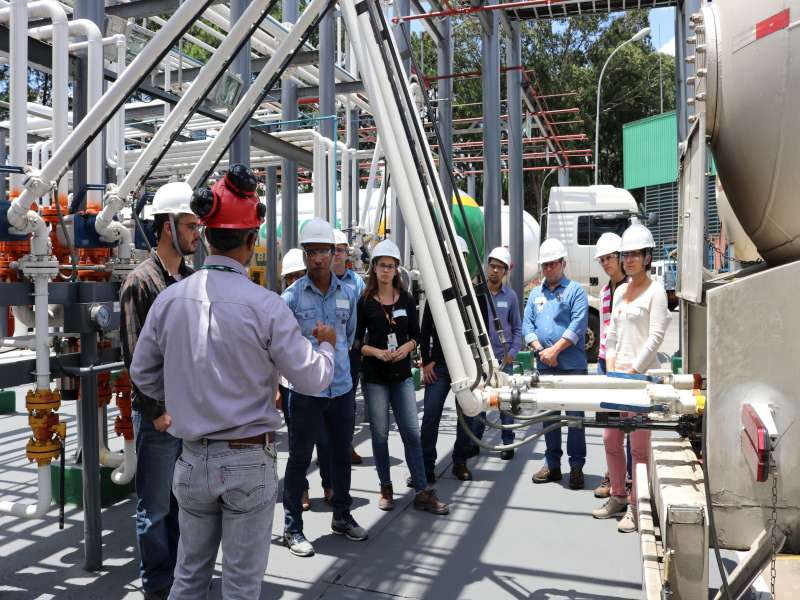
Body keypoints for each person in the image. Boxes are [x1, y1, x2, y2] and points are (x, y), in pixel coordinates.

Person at [129, 165, 337, 599]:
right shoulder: (266, 307)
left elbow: (142, 372)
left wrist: (180, 399)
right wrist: (328, 347)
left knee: (188, 577)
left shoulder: (170, 300)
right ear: (252, 241)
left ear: (205, 236)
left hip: (190, 460)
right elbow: (314, 380)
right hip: (246, 461)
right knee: (241, 586)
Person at [120, 181, 199, 600]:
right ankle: (156, 586)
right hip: (158, 417)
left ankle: (178, 581)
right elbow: (136, 359)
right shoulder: (141, 282)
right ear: (168, 226)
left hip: (187, 413)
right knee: (154, 508)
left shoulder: (190, 279)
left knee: (183, 504)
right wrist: (154, 411)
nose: (196, 233)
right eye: (189, 225)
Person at [281, 218, 366, 558]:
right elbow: (281, 348)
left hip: (341, 388)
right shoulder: (290, 298)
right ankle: (292, 527)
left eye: (323, 251)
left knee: (340, 456)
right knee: (300, 459)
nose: (317, 258)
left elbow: (348, 337)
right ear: (304, 256)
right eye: (311, 252)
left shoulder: (348, 293)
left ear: (335, 255)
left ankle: (342, 516)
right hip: (305, 392)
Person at [356, 239, 449, 515]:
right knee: (380, 435)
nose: (386, 270)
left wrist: (407, 348)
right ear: (373, 268)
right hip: (375, 377)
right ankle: (385, 487)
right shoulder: (364, 302)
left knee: (411, 431)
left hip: (401, 377)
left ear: (397, 269)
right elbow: (357, 342)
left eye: (391, 266)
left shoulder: (406, 299)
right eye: (381, 265)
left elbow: (417, 335)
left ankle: (421, 490)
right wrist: (377, 353)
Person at [592, 224, 670, 533]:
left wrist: (633, 371)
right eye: (626, 255)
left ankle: (638, 508)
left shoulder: (656, 291)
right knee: (611, 439)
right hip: (616, 376)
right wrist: (612, 368)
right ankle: (618, 496)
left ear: (648, 257)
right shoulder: (621, 291)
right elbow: (611, 334)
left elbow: (656, 337)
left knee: (638, 448)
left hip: (640, 380)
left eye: (636, 254)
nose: (629, 260)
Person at [523, 237, 589, 490]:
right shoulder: (536, 294)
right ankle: (552, 465)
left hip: (572, 366)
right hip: (544, 365)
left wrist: (556, 350)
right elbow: (527, 325)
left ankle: (576, 468)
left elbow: (578, 324)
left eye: (552, 264)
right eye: (545, 265)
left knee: (574, 419)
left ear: (563, 263)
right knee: (549, 418)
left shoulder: (575, 292)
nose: (548, 269)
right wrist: (541, 351)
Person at [419, 236, 483, 482]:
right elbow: (425, 331)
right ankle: (426, 466)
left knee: (467, 416)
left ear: (464, 261)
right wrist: (426, 361)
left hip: (467, 366)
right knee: (431, 415)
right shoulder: (435, 293)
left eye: (457, 258)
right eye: (448, 258)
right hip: (440, 367)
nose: (452, 262)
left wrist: (480, 366)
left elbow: (481, 330)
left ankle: (460, 462)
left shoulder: (473, 293)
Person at [591, 233, 633, 499]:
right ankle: (613, 474)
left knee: (631, 425)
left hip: (628, 365)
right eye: (602, 259)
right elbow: (606, 330)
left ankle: (629, 479)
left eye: (609, 258)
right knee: (609, 427)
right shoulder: (606, 291)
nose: (606, 263)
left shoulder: (633, 289)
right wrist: (600, 359)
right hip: (606, 362)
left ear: (620, 258)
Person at [276, 248, 317, 512]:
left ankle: (329, 485)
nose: (296, 281)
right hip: (290, 385)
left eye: (300, 275)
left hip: (315, 379)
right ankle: (301, 489)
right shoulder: (282, 303)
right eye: (291, 277)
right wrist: (276, 389)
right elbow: (275, 350)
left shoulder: (316, 299)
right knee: (296, 443)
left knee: (322, 441)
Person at [475, 246, 523, 461]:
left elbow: (517, 328)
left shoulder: (510, 297)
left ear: (505, 272)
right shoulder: (477, 294)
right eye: (492, 266)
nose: (494, 271)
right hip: (481, 359)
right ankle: (475, 442)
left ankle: (507, 443)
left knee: (505, 403)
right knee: (479, 401)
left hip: (504, 360)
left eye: (499, 268)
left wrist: (512, 353)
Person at [332, 229, 366, 465]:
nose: (336, 254)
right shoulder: (320, 281)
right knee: (322, 400)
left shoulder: (357, 283)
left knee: (347, 400)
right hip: (323, 350)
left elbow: (364, 315)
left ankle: (346, 445)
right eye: (332, 250)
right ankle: (325, 448)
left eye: (341, 250)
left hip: (350, 352)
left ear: (347, 254)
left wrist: (358, 343)